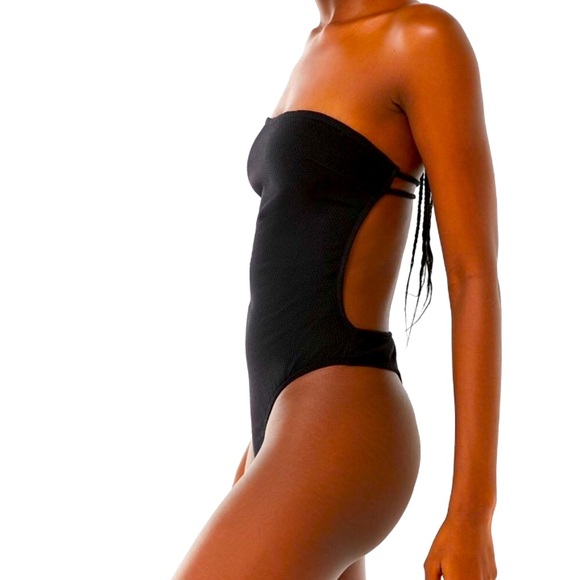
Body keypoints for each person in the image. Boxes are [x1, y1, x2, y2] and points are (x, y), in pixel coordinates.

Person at [172, 0, 501, 577]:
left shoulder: (420, 37)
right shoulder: (315, 44)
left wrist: (472, 514)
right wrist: (265, 453)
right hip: (285, 433)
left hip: (340, 422)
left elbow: (472, 275)